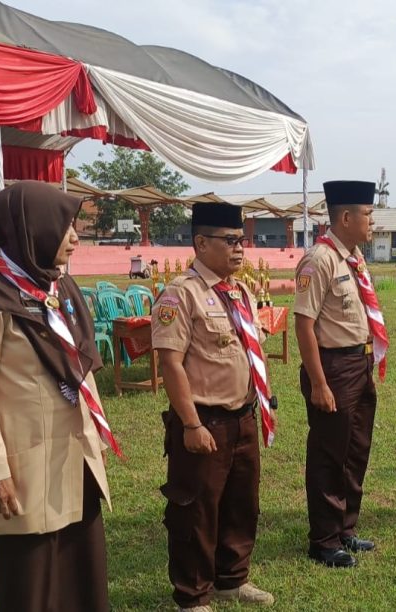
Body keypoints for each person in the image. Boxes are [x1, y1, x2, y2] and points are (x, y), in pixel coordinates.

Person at [0, 181, 119, 611]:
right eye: (66, 227)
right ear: (33, 230)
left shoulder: (60, 290)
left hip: (74, 458)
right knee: (32, 582)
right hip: (26, 464)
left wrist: (95, 435)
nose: (75, 237)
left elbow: (80, 368)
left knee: (82, 573)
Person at [152, 202, 277, 612]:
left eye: (242, 240)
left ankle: (232, 578)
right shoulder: (180, 294)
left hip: (241, 417)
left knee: (242, 504)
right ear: (201, 243)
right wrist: (190, 424)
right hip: (204, 420)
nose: (240, 249)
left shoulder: (238, 291)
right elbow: (170, 363)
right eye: (230, 241)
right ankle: (192, 596)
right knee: (196, 511)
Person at [293, 180, 388, 568]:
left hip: (359, 364)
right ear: (346, 217)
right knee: (329, 456)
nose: (372, 220)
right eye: (367, 214)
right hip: (332, 367)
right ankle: (324, 539)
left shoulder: (353, 257)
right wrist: (318, 383)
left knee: (355, 451)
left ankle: (346, 528)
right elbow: (303, 325)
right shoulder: (320, 259)